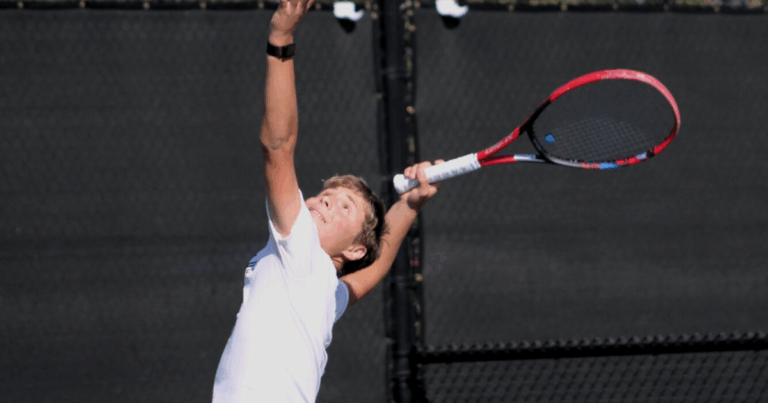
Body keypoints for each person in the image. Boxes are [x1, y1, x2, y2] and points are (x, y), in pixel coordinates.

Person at [211, 0, 442, 401]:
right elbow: (379, 265)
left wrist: (281, 38)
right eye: (327, 196)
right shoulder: (323, 294)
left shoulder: (301, 254)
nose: (322, 203)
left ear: (354, 249)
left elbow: (277, 145)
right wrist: (411, 203)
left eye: (343, 208)